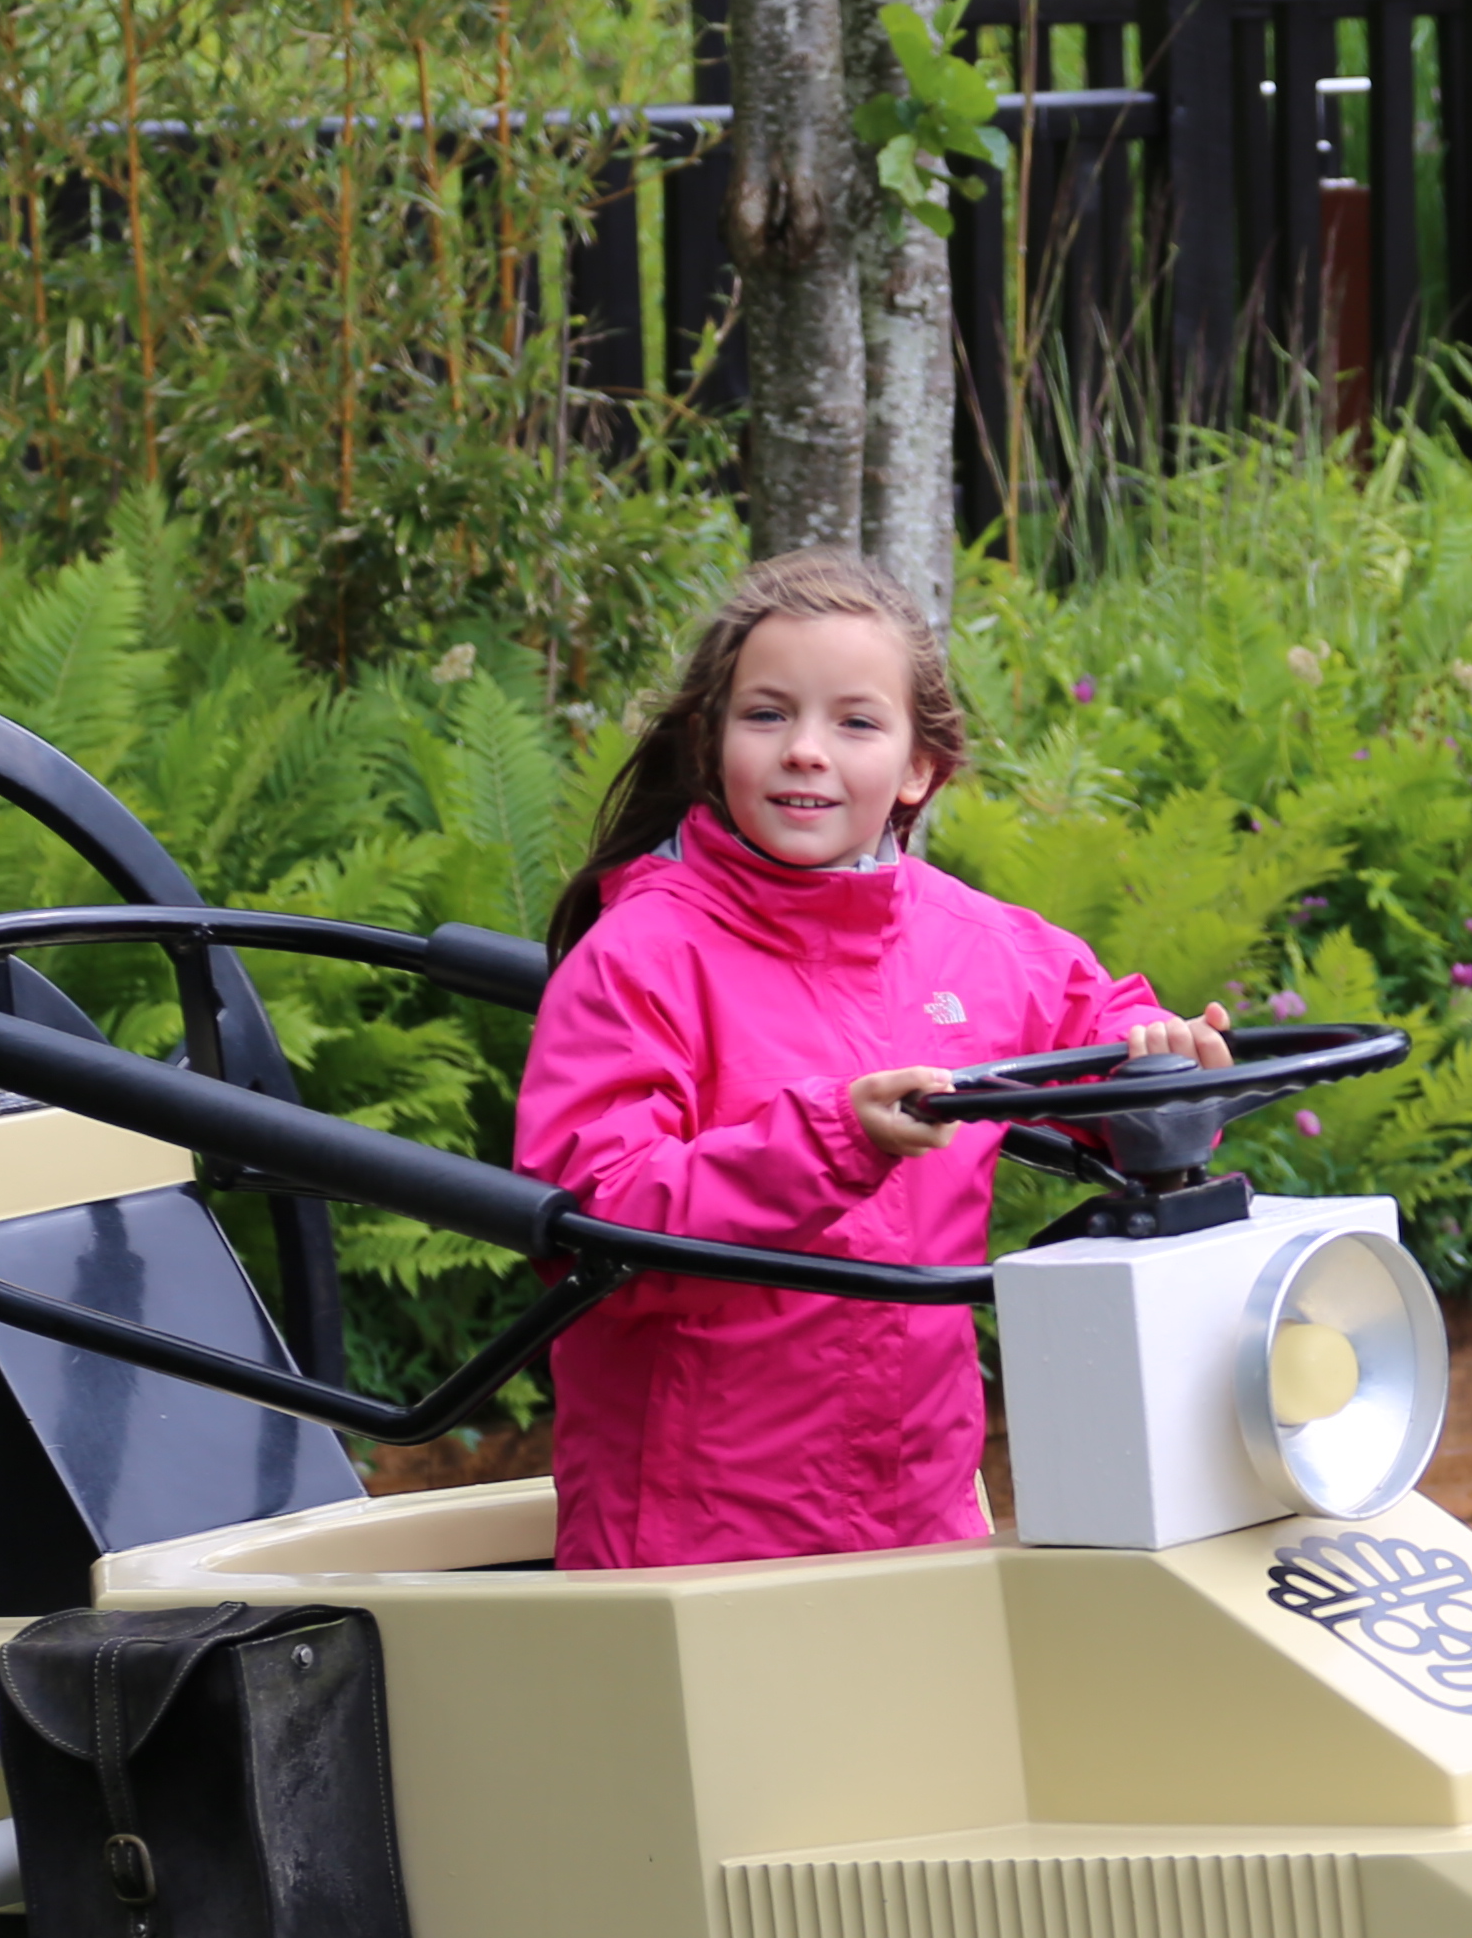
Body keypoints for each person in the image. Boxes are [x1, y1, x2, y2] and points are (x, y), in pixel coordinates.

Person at [516, 550, 1228, 1570]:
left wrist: (1173, 1073)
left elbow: (1113, 1040)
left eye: (854, 722)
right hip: (694, 1537)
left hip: (924, 1517)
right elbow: (594, 1226)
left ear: (918, 768)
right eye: (767, 715)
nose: (805, 750)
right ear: (713, 744)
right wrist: (832, 1138)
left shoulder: (982, 947)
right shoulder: (639, 957)